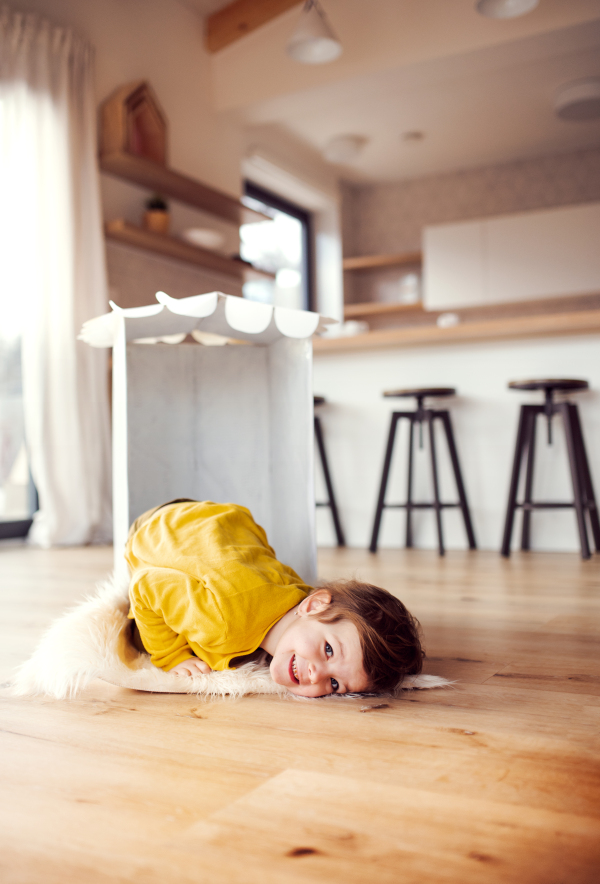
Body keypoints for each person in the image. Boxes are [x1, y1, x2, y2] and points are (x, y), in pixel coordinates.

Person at [126, 500, 424, 697]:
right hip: (163, 521)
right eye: (329, 650)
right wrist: (170, 656)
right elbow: (144, 585)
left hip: (231, 522)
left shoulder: (300, 603)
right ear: (313, 604)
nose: (316, 673)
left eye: (334, 685)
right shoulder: (224, 622)